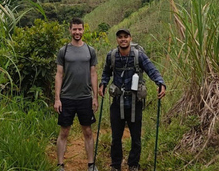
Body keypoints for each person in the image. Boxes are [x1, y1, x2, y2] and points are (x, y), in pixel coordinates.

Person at [99, 29, 166, 171]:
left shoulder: (138, 56)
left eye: (126, 37)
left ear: (130, 38)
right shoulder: (111, 56)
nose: (123, 39)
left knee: (136, 137)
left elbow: (151, 69)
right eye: (120, 37)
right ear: (117, 39)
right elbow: (106, 72)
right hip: (117, 102)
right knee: (116, 137)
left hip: (135, 102)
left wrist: (160, 83)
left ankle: (133, 165)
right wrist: (103, 84)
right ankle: (115, 165)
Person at [54, 17, 99, 171]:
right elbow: (59, 75)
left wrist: (95, 97)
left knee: (87, 130)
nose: (77, 32)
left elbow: (93, 74)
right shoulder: (63, 51)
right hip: (67, 98)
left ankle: (91, 164)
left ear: (83, 30)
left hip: (85, 97)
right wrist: (57, 99)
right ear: (70, 30)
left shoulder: (90, 50)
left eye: (80, 29)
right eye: (74, 29)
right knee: (64, 131)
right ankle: (60, 165)